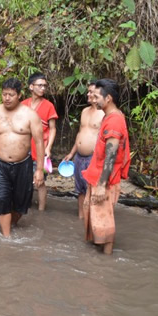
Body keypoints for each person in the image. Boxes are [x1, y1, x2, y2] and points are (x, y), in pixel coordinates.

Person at [0, 78, 45, 237]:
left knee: (21, 204)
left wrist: (39, 169)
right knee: (1, 198)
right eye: (4, 94)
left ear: (19, 95)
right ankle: (7, 238)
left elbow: (39, 142)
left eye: (11, 95)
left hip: (23, 164)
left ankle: (10, 223)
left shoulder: (30, 115)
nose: (6, 98)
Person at [81, 79, 131, 255]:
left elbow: (111, 154)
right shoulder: (110, 117)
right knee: (97, 219)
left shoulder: (114, 120)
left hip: (104, 179)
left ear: (108, 98)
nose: (94, 99)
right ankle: (100, 257)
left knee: (104, 221)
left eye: (96, 96)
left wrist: (102, 185)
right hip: (97, 176)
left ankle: (105, 261)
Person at [62, 81, 104, 220]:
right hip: (79, 157)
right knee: (80, 189)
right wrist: (71, 152)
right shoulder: (85, 111)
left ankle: (91, 219)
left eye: (92, 92)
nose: (88, 94)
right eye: (88, 91)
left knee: (91, 190)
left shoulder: (104, 114)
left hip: (93, 158)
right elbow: (80, 133)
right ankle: (81, 217)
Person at [21, 72, 58, 211]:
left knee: (40, 182)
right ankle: (25, 207)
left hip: (40, 149)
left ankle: (41, 211)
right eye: (40, 85)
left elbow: (53, 129)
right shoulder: (23, 104)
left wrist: (48, 148)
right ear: (31, 87)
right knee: (24, 180)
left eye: (44, 86)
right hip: (24, 148)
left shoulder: (48, 106)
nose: (43, 88)